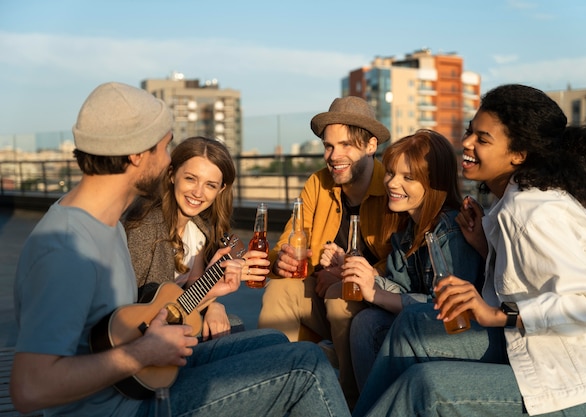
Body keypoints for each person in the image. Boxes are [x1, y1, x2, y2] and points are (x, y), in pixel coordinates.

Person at [10, 81, 351, 417]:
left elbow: (136, 319)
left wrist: (208, 294)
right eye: (164, 147)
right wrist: (142, 353)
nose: (167, 160)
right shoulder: (65, 248)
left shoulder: (105, 224)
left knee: (276, 344)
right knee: (306, 365)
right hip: (125, 406)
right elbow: (30, 389)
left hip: (140, 380)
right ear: (136, 152)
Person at [352, 84, 586, 417]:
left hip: (583, 381)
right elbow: (530, 276)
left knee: (425, 386)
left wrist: (496, 314)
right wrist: (485, 246)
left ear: (519, 154)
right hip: (537, 347)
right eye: (470, 132)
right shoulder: (510, 201)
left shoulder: (535, 211)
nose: (466, 143)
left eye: (482, 139)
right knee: (412, 323)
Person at [257, 96, 393, 408]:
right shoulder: (318, 183)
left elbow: (402, 262)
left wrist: (347, 271)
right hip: (320, 293)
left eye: (345, 145)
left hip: (374, 304)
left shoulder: (390, 186)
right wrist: (285, 259)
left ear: (370, 145)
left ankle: (349, 400)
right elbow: (283, 245)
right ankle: (272, 387)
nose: (333, 156)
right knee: (279, 289)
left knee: (341, 293)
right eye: (329, 146)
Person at [327, 130, 483, 392]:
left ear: (435, 183)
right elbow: (402, 289)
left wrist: (374, 293)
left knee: (368, 323)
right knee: (364, 319)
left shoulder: (452, 230)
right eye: (390, 173)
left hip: (464, 333)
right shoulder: (407, 231)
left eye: (408, 177)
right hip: (423, 323)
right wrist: (368, 278)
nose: (392, 183)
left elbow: (448, 308)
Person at [124, 136, 267, 340]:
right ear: (172, 175)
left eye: (210, 185)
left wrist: (214, 300)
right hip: (139, 338)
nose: (198, 192)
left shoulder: (201, 231)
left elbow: (186, 300)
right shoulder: (145, 226)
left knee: (247, 330)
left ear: (221, 189)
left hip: (171, 322)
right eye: (191, 178)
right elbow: (132, 311)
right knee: (242, 331)